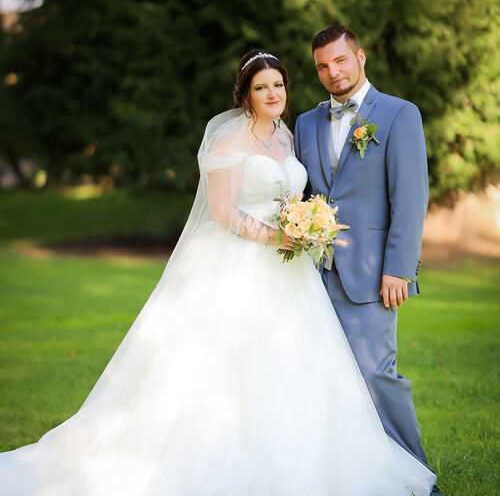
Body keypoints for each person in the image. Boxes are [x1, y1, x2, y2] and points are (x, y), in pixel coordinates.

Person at [0, 50, 436, 495]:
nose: (273, 94)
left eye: (279, 85)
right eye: (261, 87)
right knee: (226, 366)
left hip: (291, 275)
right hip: (237, 265)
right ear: (246, 95)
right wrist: (278, 238)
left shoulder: (289, 137)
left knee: (295, 366)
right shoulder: (229, 141)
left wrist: (306, 226)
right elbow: (223, 212)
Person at [293, 26, 441, 495]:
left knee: (377, 374)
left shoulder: (399, 115)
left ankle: (415, 480)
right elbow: (304, 195)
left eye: (340, 61)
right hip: (310, 275)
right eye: (322, 65)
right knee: (321, 378)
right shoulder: (305, 123)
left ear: (360, 56)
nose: (332, 72)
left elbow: (411, 196)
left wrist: (399, 267)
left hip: (374, 274)